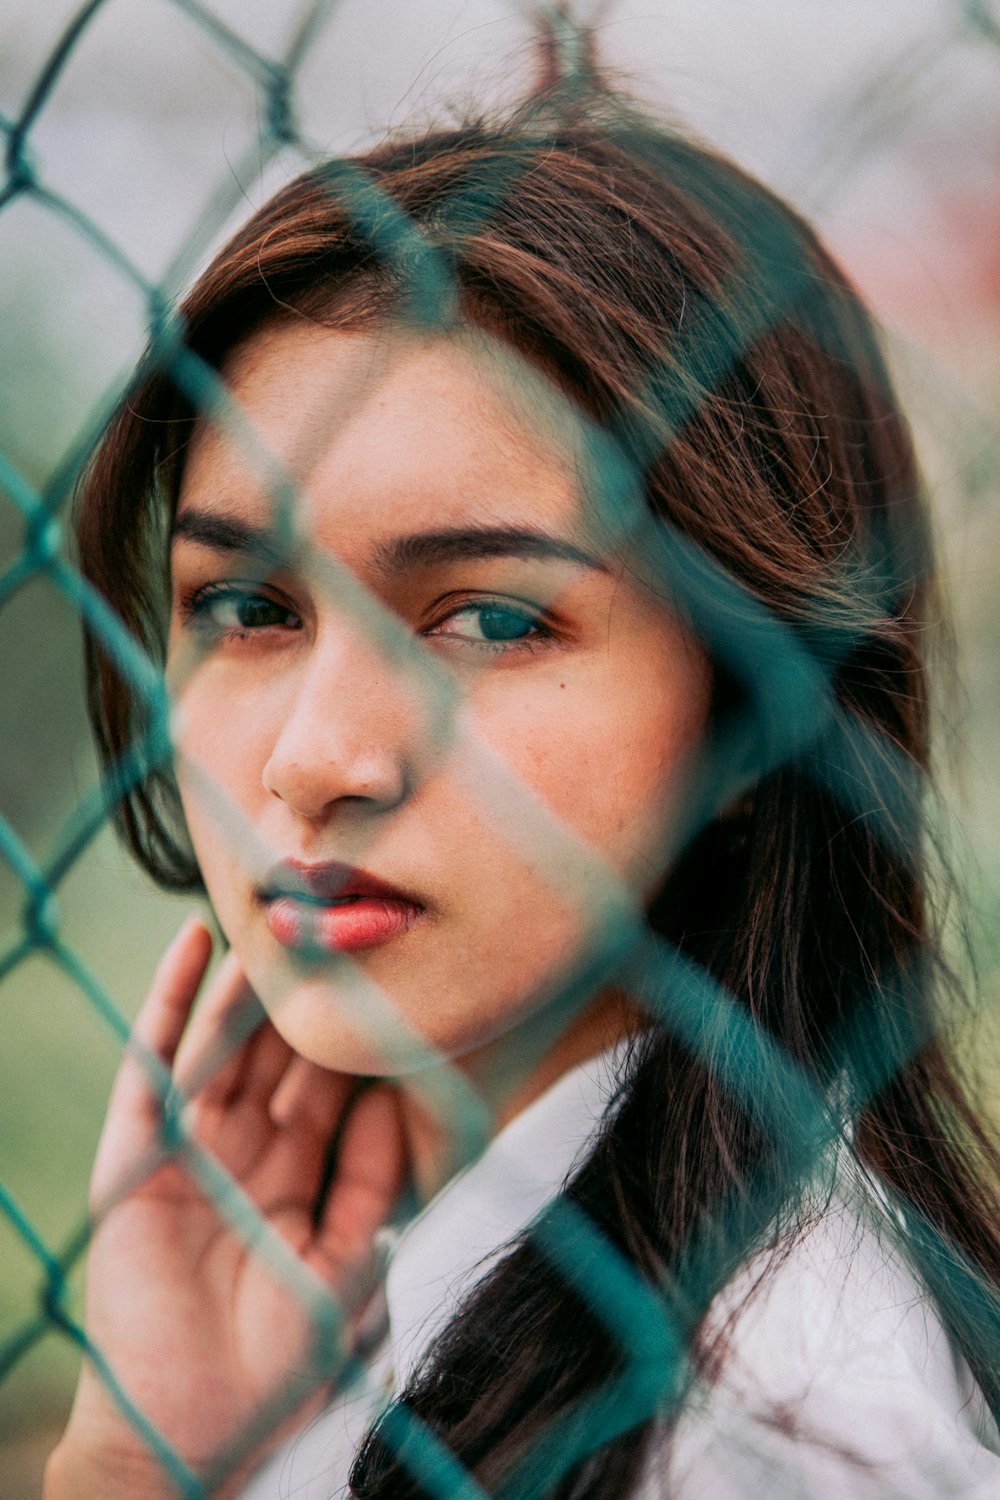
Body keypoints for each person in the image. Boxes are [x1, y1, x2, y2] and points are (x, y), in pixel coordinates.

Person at [43, 27, 1000, 1500]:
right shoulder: (350, 1316)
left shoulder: (768, 1428)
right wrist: (135, 1462)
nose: (314, 761)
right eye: (248, 609)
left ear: (761, 707)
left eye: (488, 618)